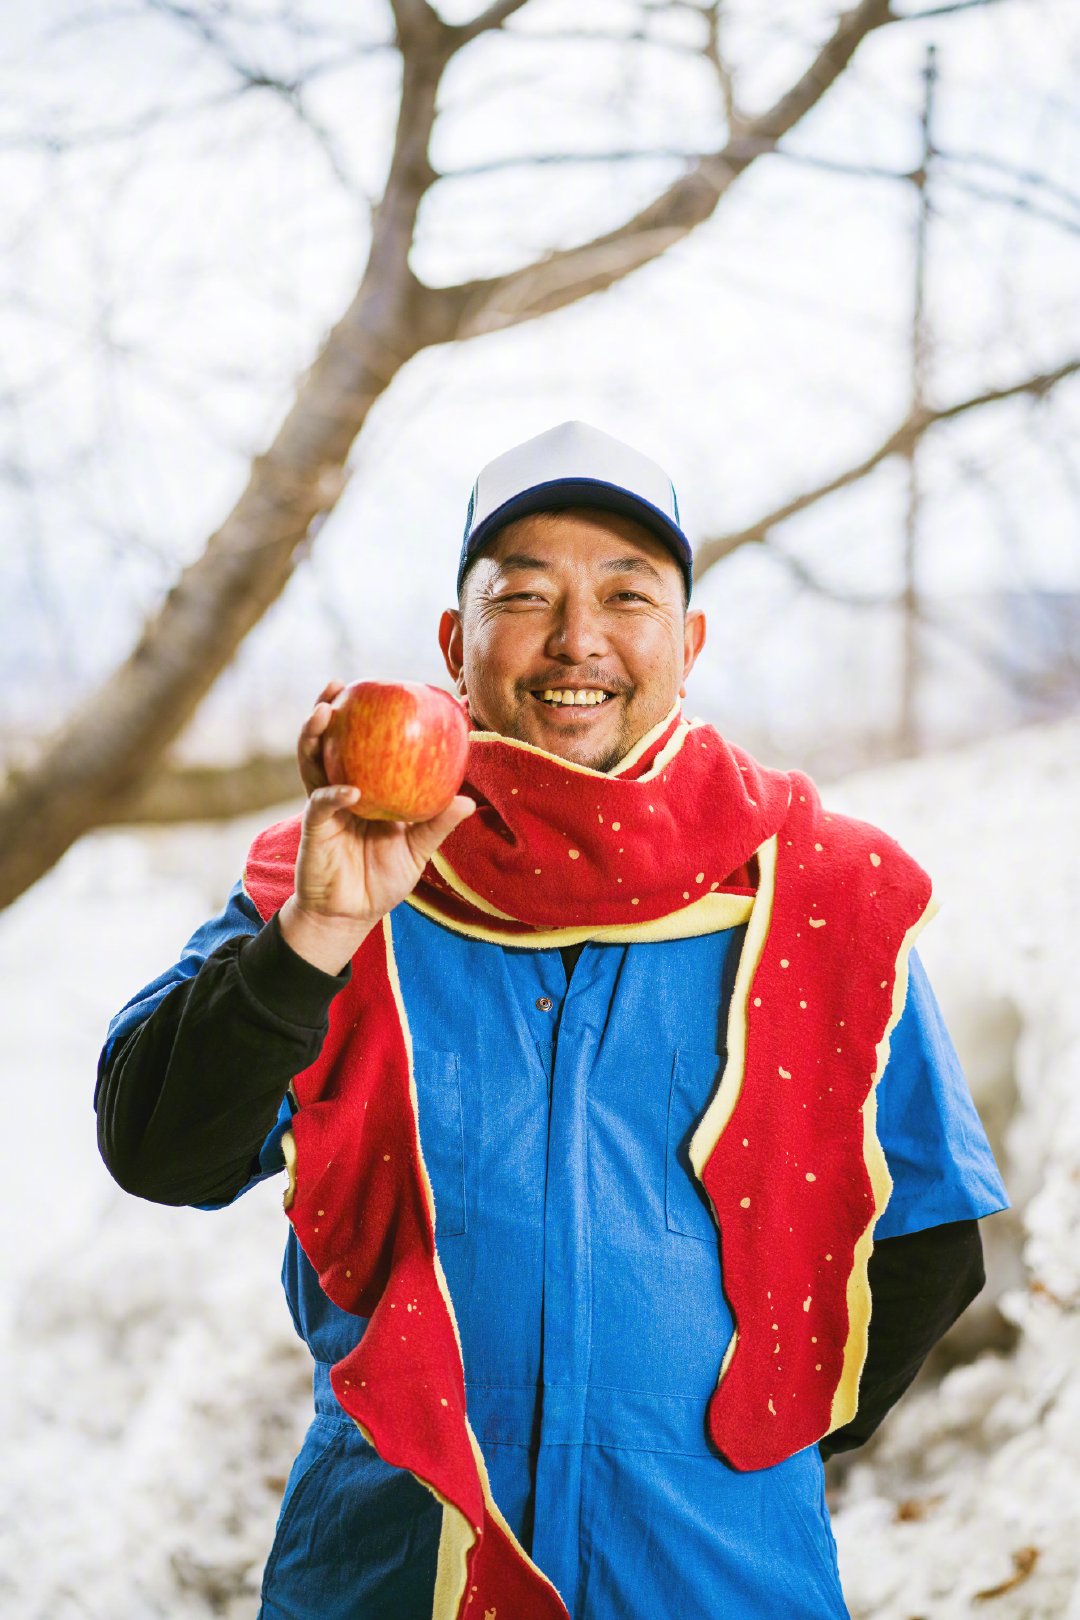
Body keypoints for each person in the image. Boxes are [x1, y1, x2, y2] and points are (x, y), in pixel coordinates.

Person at [97, 421, 1010, 1620]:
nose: (579, 638)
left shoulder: (821, 894)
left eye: (627, 595)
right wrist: (316, 933)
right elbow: (159, 1150)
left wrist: (730, 1457)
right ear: (455, 642)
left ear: (687, 643)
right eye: (525, 596)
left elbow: (932, 1242)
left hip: (715, 1581)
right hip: (390, 1571)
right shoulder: (336, 871)